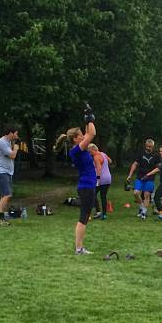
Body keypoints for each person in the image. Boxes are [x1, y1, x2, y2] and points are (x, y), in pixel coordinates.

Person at [54, 105, 96, 255]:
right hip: (86, 186)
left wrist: (87, 119)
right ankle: (79, 248)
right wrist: (89, 116)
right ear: (75, 138)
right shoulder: (77, 150)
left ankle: (80, 247)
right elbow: (92, 134)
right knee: (83, 217)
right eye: (80, 135)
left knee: (85, 216)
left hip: (88, 186)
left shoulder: (80, 148)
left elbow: (88, 132)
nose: (83, 136)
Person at [0, 124, 21, 226]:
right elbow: (13, 155)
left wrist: (14, 143)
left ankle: (3, 216)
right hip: (1, 171)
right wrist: (16, 148)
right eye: (16, 134)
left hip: (7, 171)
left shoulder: (8, 142)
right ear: (11, 133)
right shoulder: (2, 142)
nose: (17, 136)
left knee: (5, 195)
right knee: (7, 194)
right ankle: (2, 219)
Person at [127, 139, 161, 220]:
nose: (148, 148)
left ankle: (143, 212)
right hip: (140, 177)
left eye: (149, 147)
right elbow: (135, 164)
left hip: (150, 178)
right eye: (146, 146)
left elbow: (158, 167)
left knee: (147, 195)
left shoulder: (156, 155)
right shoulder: (141, 153)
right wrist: (130, 175)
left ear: (152, 147)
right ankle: (141, 207)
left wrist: (150, 173)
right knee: (136, 193)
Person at [143, 145, 162, 221]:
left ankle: (161, 214)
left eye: (161, 151)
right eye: (159, 151)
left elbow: (158, 169)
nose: (160, 153)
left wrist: (148, 174)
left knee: (157, 197)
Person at [88, 143, 112, 220]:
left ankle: (98, 211)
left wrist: (98, 179)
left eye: (90, 151)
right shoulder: (103, 154)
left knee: (92, 194)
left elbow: (98, 168)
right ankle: (104, 215)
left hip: (101, 179)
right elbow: (110, 161)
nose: (90, 153)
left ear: (94, 149)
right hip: (108, 178)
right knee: (103, 196)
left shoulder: (96, 157)